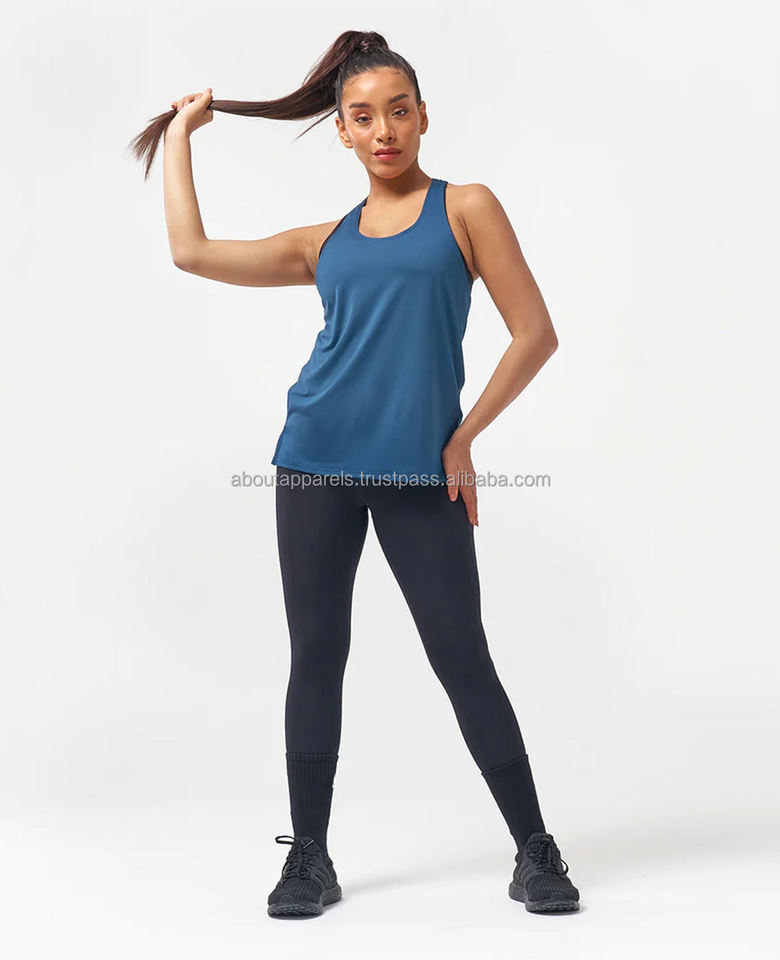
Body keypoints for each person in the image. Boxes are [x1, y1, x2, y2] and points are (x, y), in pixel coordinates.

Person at [130, 29, 581, 919]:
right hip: (312, 464)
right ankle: (309, 857)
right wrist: (181, 135)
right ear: (341, 131)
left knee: (462, 656)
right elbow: (192, 251)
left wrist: (463, 440)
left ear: (423, 117)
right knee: (317, 657)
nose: (384, 131)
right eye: (364, 117)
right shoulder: (323, 243)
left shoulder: (466, 208)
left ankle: (535, 849)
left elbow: (536, 334)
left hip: (420, 472)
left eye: (398, 112)